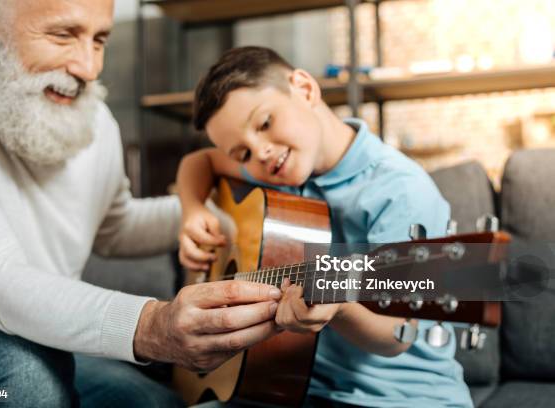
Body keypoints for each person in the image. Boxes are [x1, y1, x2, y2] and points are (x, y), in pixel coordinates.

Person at [0, 2, 282, 407]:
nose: (88, 68)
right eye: (63, 35)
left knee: (159, 403)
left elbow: (114, 227)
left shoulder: (93, 118)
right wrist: (152, 325)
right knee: (23, 381)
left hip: (43, 342)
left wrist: (206, 212)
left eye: (99, 39)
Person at [176, 46, 473, 407]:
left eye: (265, 123)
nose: (261, 153)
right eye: (243, 154)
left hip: (398, 398)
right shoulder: (278, 172)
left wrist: (341, 308)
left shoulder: (400, 191)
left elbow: (399, 334)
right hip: (294, 387)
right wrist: (192, 210)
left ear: (303, 88)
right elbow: (199, 161)